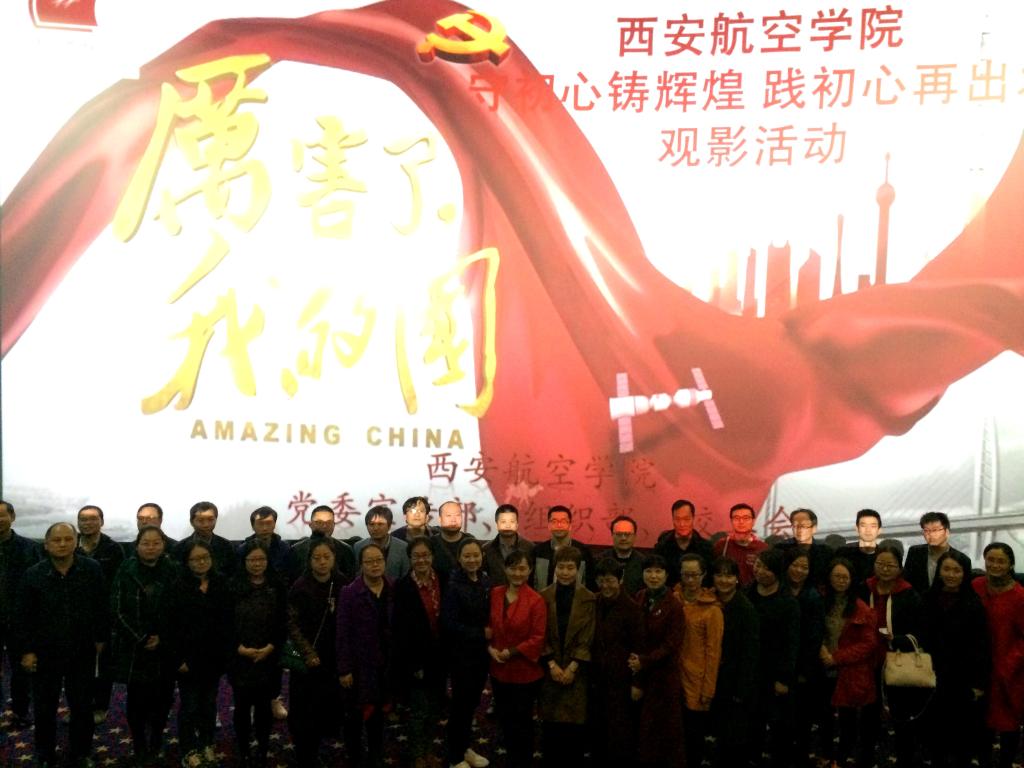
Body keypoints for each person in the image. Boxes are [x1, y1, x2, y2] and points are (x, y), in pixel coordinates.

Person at [15, 522, 107, 768]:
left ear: (76, 542)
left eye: (68, 539)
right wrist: (27, 650)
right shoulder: (33, 574)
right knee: (45, 708)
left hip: (82, 650)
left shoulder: (92, 569)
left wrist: (101, 640)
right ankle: (45, 755)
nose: (63, 544)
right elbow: (23, 617)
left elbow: (101, 607)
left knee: (82, 706)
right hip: (45, 652)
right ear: (46, 545)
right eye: (57, 540)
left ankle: (81, 753)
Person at [111, 525, 182, 763]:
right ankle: (140, 744)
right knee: (137, 701)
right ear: (137, 545)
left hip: (165, 647)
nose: (151, 547)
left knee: (163, 699)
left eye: (156, 543)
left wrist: (163, 637)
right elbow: (117, 610)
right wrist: (141, 638)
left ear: (163, 545)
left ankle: (156, 742)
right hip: (135, 648)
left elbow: (180, 610)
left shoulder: (174, 570)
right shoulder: (126, 569)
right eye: (145, 543)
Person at [920, 550, 989, 768]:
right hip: (931, 674)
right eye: (946, 569)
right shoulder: (927, 598)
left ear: (965, 573)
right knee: (935, 731)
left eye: (957, 570)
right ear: (939, 571)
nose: (951, 574)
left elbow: (981, 646)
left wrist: (978, 683)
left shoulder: (974, 603)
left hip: (962, 678)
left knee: (962, 735)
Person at [862, 541, 924, 768]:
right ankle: (866, 756)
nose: (885, 569)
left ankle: (905, 757)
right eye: (880, 564)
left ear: (900, 568)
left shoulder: (909, 594)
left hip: (898, 660)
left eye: (891, 565)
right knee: (868, 713)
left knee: (901, 715)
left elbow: (919, 632)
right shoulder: (863, 589)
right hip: (867, 660)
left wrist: (894, 639)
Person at [287, 536, 346, 768]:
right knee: (305, 709)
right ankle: (305, 755)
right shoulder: (300, 586)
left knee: (328, 705)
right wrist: (307, 652)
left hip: (334, 656)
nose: (322, 562)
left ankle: (320, 746)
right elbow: (291, 624)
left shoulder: (342, 583)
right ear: (309, 560)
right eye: (317, 557)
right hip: (307, 659)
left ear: (334, 558)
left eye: (326, 557)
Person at [174, 539, 233, 768]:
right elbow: (170, 626)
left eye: (205, 558)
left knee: (209, 704)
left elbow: (227, 621)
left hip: (213, 658)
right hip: (187, 659)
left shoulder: (221, 583)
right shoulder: (177, 586)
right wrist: (178, 658)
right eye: (195, 559)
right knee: (189, 705)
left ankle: (207, 743)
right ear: (186, 562)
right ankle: (188, 748)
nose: (201, 562)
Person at [229, 539, 287, 768]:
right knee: (242, 707)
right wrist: (239, 648)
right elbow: (224, 622)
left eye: (261, 559)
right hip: (240, 657)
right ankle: (244, 750)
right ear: (244, 561)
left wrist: (271, 647)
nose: (256, 564)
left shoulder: (277, 584)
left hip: (269, 656)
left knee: (264, 707)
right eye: (251, 559)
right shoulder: (232, 586)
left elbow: (283, 621)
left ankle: (262, 749)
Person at [337, 543, 394, 768]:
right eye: (369, 561)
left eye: (379, 560)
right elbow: (342, 633)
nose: (375, 565)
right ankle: (354, 756)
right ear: (361, 565)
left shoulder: (393, 588)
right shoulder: (350, 592)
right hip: (359, 665)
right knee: (354, 715)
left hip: (385, 663)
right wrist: (344, 669)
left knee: (378, 713)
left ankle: (376, 754)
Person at [488, 549, 547, 768]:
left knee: (522, 721)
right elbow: (487, 625)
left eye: (522, 568)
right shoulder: (495, 593)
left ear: (530, 570)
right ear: (505, 569)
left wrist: (512, 651)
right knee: (504, 717)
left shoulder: (536, 600)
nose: (517, 573)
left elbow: (538, 637)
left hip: (525, 671)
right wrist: (489, 649)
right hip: (498, 669)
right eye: (513, 568)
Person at [538, 545, 596, 767]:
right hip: (550, 667)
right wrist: (552, 664)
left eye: (570, 568)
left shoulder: (589, 598)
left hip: (577, 670)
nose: (565, 572)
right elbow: (541, 634)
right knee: (551, 720)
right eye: (561, 567)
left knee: (574, 723)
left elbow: (587, 636)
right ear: (554, 568)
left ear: (578, 569)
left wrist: (572, 667)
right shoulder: (543, 596)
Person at [818, 557, 878, 768]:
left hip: (847, 670)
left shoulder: (861, 608)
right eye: (837, 576)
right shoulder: (820, 601)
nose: (841, 581)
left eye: (845, 577)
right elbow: (813, 629)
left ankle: (842, 759)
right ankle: (826, 754)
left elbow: (868, 644)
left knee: (847, 720)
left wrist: (836, 658)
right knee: (823, 715)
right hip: (821, 666)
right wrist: (822, 651)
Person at [393, 536, 448, 768]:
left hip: (441, 657)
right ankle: (417, 754)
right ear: (410, 559)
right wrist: (412, 664)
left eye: (425, 555)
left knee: (435, 708)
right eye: (416, 556)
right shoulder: (402, 587)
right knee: (418, 710)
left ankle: (428, 750)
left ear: (432, 556)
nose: (421, 560)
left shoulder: (444, 579)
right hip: (417, 659)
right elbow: (400, 630)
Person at [746, 547, 800, 768]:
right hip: (751, 670)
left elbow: (791, 643)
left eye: (767, 568)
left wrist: (783, 678)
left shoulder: (788, 602)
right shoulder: (747, 594)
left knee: (780, 724)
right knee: (752, 722)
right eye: (758, 565)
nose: (760, 571)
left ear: (778, 572)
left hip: (776, 672)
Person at [630, 554, 685, 767]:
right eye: (649, 571)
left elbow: (671, 645)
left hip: (663, 676)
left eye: (658, 571)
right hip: (640, 672)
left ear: (667, 575)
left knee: (662, 734)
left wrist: (644, 661)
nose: (653, 576)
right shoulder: (640, 596)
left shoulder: (674, 605)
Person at [972, 542, 1024, 768]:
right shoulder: (976, 585)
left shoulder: (1020, 596)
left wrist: (1008, 664)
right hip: (978, 667)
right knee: (981, 721)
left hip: (1009, 671)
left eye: (1001, 561)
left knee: (1008, 722)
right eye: (990, 560)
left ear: (1011, 564)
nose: (994, 565)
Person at [443, 538, 492, 768]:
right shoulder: (453, 585)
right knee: (460, 705)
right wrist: (481, 633)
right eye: (467, 556)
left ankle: (465, 747)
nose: (472, 560)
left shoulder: (485, 580)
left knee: (472, 703)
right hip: (461, 655)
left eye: (476, 555)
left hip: (481, 654)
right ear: (459, 559)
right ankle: (455, 756)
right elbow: (449, 624)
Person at [588, 557, 641, 768]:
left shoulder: (632, 609)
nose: (605, 585)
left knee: (619, 733)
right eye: (601, 580)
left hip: (621, 680)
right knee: (597, 728)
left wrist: (637, 682)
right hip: (596, 677)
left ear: (620, 579)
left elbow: (639, 648)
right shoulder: (593, 602)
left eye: (610, 580)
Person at [672, 553, 723, 767]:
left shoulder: (712, 609)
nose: (690, 580)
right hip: (672, 677)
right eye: (686, 575)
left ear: (703, 575)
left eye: (695, 575)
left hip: (697, 681)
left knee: (693, 739)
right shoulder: (672, 600)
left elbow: (714, 653)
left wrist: (708, 690)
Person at [74, 503, 123, 725]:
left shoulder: (113, 549)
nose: (87, 523)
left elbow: (117, 585)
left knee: (102, 665)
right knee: (75, 666)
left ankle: (101, 706)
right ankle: (79, 707)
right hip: (73, 615)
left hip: (103, 616)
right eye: (83, 519)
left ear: (102, 522)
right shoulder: (70, 544)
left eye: (93, 518)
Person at [709, 556, 759, 768]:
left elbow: (750, 652)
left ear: (737, 579)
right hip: (712, 678)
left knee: (733, 738)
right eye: (719, 575)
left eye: (729, 576)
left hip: (735, 682)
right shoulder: (708, 602)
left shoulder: (745, 608)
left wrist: (742, 689)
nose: (724, 580)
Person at [0, 498, 41, 729]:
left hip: (20, 620)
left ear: (12, 517)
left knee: (21, 671)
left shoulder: (30, 548)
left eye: (2, 515)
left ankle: (20, 713)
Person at [784, 548, 825, 768]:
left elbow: (814, 637)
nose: (799, 570)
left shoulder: (813, 596)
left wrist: (804, 670)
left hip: (804, 668)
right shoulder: (778, 590)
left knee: (803, 719)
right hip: (780, 665)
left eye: (804, 567)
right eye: (795, 565)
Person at [904, 511, 972, 594]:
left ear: (947, 532)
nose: (931, 535)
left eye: (935, 530)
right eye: (926, 530)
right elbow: (907, 583)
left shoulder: (963, 560)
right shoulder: (915, 552)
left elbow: (965, 591)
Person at [532, 505, 595, 591]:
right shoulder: (538, 551)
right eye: (554, 522)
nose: (559, 525)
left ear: (570, 525)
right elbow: (531, 582)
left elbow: (590, 584)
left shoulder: (583, 551)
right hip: (543, 598)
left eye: (564, 521)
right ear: (549, 525)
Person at [654, 498, 714, 588]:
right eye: (677, 519)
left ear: (693, 518)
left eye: (686, 519)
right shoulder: (662, 546)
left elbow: (709, 580)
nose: (682, 524)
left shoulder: (705, 547)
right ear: (672, 519)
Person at [173, 501, 239, 578]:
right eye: (200, 520)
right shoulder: (180, 548)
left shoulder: (226, 546)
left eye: (211, 520)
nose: (206, 525)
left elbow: (232, 575)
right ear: (191, 522)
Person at [290, 505, 356, 581]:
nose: (324, 526)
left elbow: (350, 580)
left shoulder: (346, 549)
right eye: (319, 522)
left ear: (334, 525)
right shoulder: (296, 550)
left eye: (329, 522)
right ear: (311, 525)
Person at [711, 503, 768, 587]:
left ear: (753, 521)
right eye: (736, 518)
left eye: (746, 518)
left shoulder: (763, 548)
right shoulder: (722, 545)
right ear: (731, 521)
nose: (741, 522)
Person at [238, 506, 296, 585]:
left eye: (269, 523)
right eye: (260, 524)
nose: (265, 528)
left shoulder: (285, 548)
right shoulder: (243, 549)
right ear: (253, 526)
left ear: (274, 524)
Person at [481, 503, 534, 587]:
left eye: (512, 522)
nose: (508, 525)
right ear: (497, 524)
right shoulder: (486, 549)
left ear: (517, 524)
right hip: (495, 593)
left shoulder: (529, 548)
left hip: (522, 593)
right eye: (503, 522)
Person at [776, 508, 832, 586]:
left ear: (814, 528)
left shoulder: (826, 552)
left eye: (804, 526)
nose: (799, 530)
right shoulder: (781, 549)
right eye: (795, 525)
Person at [353, 505, 409, 581]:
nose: (375, 528)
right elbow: (357, 575)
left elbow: (405, 576)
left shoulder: (403, 547)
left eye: (380, 524)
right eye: (372, 524)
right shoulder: (358, 546)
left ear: (389, 526)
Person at [838, 509, 884, 595]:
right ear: (857, 529)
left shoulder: (884, 555)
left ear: (879, 530)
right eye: (863, 525)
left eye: (873, 526)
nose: (868, 530)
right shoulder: (844, 553)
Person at [602, 514, 645, 596]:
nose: (623, 538)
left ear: (635, 536)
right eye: (619, 534)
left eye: (627, 534)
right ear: (612, 535)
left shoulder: (643, 563)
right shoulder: (600, 560)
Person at [432, 500, 474, 581]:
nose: (453, 520)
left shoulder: (470, 540)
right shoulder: (431, 543)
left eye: (458, 515)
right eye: (448, 516)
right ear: (440, 519)